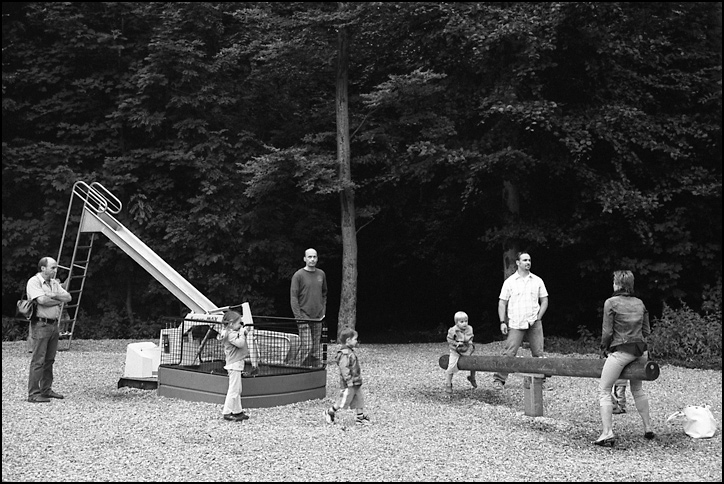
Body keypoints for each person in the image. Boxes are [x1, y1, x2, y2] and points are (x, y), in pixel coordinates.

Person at [594, 270, 654, 446]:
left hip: (622, 351)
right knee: (638, 390)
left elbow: (607, 332)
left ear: (618, 284)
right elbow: (646, 331)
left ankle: (607, 432)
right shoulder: (640, 303)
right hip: (641, 351)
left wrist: (604, 348)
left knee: (604, 390)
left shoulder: (611, 303)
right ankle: (648, 427)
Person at [492, 251, 548, 391]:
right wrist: (502, 321)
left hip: (534, 322)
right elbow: (502, 303)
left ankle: (540, 381)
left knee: (538, 353)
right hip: (516, 322)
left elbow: (544, 300)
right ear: (517, 263)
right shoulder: (510, 282)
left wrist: (539, 316)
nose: (528, 262)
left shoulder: (537, 280)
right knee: (510, 352)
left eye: (529, 260)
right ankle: (499, 380)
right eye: (524, 260)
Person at [26, 257, 71, 403]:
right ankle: (33, 393)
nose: (55, 270)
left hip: (53, 325)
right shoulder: (34, 282)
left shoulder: (53, 283)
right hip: (40, 324)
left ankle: (46, 390)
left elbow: (68, 297)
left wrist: (54, 295)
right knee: (38, 360)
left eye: (55, 267)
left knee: (49, 360)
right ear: (43, 268)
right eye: (52, 267)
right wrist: (58, 300)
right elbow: (42, 301)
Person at [323, 328, 370, 426]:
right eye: (355, 339)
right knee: (343, 400)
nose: (356, 341)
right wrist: (348, 380)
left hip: (356, 381)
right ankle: (330, 411)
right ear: (348, 340)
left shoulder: (350, 352)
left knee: (359, 398)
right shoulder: (345, 354)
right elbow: (344, 369)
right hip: (349, 383)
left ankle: (360, 417)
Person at [290, 248, 327, 367]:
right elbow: (294, 297)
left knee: (316, 347)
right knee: (307, 345)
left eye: (314, 257)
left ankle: (313, 370)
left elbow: (324, 293)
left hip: (318, 316)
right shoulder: (298, 275)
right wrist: (298, 317)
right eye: (309, 257)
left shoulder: (321, 274)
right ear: (304, 259)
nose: (312, 259)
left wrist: (323, 311)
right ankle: (296, 367)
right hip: (303, 315)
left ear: (317, 258)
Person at [219, 310, 251, 422]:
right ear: (231, 324)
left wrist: (243, 332)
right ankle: (227, 412)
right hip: (234, 364)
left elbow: (240, 337)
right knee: (233, 390)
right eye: (239, 323)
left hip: (236, 364)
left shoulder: (232, 332)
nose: (240, 325)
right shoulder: (230, 335)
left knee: (238, 389)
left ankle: (238, 411)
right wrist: (242, 333)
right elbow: (240, 343)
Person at [444, 311, 477, 393]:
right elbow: (449, 340)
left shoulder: (469, 328)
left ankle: (472, 377)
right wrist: (456, 343)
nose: (464, 323)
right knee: (451, 366)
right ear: (457, 323)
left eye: (466, 321)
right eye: (462, 322)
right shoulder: (453, 330)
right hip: (455, 350)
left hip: (466, 349)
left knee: (474, 363)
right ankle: (448, 384)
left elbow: (470, 337)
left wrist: (470, 343)